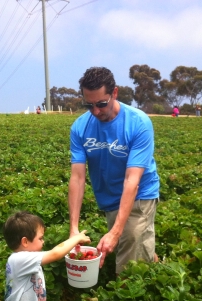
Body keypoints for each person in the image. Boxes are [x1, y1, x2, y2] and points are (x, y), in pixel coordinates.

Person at [68, 67, 160, 275]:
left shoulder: (138, 123)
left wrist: (116, 232)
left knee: (128, 266)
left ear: (115, 93)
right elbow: (77, 177)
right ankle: (157, 267)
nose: (96, 111)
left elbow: (132, 181)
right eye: (89, 105)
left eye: (101, 104)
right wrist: (73, 229)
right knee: (131, 246)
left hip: (139, 194)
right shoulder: (80, 127)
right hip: (109, 197)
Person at [0, 211, 91, 301]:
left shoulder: (24, 259)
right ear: (25, 241)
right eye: (40, 238)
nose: (43, 242)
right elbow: (56, 254)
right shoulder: (19, 260)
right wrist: (76, 239)